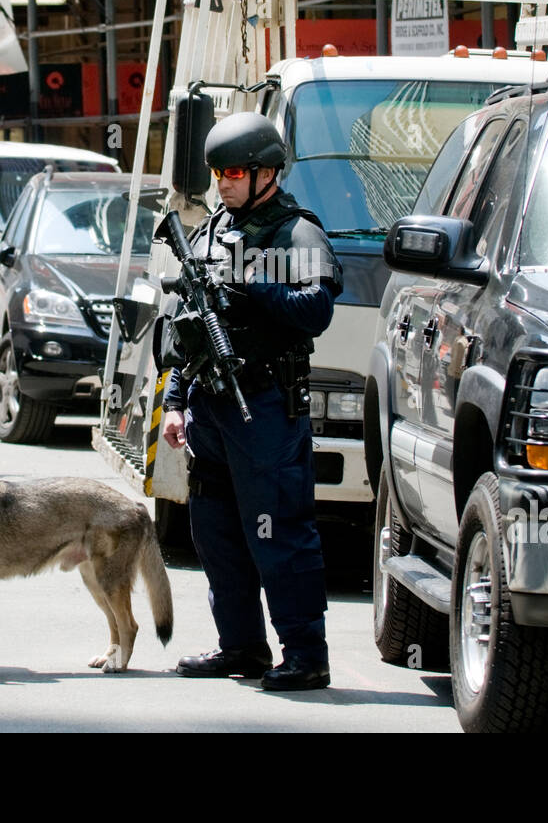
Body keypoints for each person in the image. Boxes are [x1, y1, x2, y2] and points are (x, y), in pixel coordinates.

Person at [161, 112, 342, 691]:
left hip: (263, 406)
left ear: (268, 172)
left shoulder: (296, 232)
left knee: (278, 531)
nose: (224, 182)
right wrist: (173, 400)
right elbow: (181, 324)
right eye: (217, 171)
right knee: (217, 534)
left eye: (236, 171)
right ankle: (240, 647)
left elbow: (316, 310)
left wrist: (255, 283)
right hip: (209, 406)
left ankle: (306, 654)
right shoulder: (213, 228)